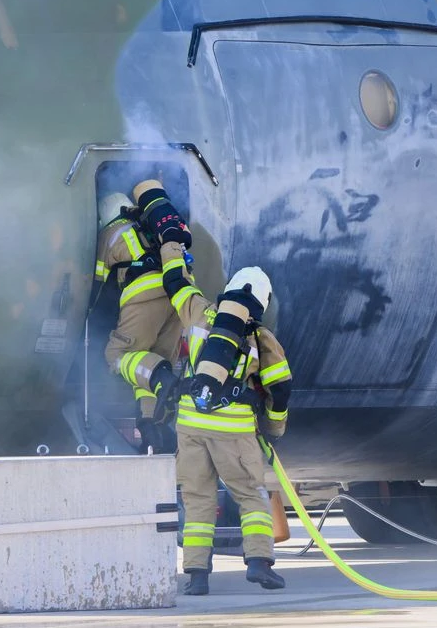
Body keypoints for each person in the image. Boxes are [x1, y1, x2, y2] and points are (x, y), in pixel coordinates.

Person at [124, 182, 293, 595]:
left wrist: (170, 245)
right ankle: (260, 564)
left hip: (190, 424)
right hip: (234, 430)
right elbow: (279, 389)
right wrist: (273, 430)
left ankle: (197, 575)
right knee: (250, 497)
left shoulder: (199, 311)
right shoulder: (261, 337)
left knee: (198, 501)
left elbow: (175, 281)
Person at [94, 187, 183, 452]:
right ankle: (154, 426)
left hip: (144, 293)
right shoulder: (148, 227)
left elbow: (97, 283)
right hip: (178, 291)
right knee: (151, 361)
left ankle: (160, 375)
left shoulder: (109, 233)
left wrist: (92, 315)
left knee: (118, 354)